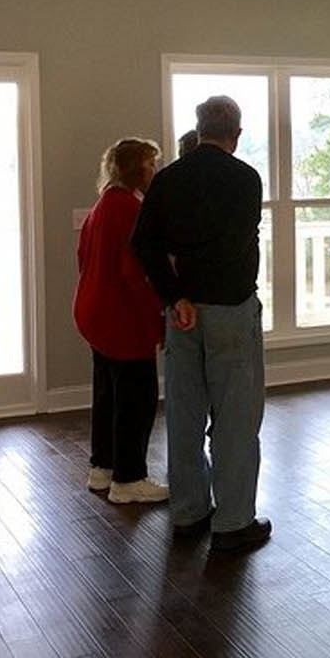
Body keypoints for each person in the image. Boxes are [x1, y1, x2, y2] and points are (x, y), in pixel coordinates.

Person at [132, 95, 271, 552]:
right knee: (235, 418)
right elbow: (235, 245)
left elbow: (144, 244)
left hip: (182, 313)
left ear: (198, 127)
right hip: (231, 309)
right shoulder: (245, 179)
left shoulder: (169, 178)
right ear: (237, 133)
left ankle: (189, 514)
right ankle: (232, 523)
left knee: (185, 414)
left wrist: (175, 296)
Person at [73, 138, 170, 504]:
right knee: (137, 399)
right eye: (150, 164)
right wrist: (157, 319)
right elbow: (135, 274)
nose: (154, 171)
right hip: (121, 319)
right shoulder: (130, 208)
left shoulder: (102, 204)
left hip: (95, 313)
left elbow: (83, 257)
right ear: (136, 168)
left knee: (107, 393)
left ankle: (103, 469)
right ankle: (129, 480)